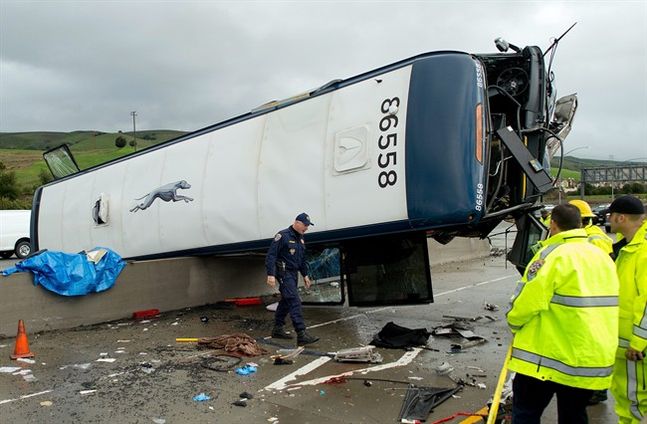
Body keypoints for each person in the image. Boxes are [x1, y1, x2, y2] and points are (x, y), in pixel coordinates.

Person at [507, 204, 619, 423]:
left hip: (545, 361)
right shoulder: (602, 256)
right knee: (574, 415)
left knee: (526, 413)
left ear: (553, 224)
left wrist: (513, 322)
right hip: (587, 359)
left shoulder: (552, 255)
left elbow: (526, 303)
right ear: (580, 224)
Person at [607, 195, 647, 423]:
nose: (608, 219)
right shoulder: (629, 247)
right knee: (628, 396)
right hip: (628, 341)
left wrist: (638, 342)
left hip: (636, 346)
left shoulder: (642, 250)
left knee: (633, 400)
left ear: (621, 217)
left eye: (610, 215)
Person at [265, 213, 319, 346]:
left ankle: (277, 328)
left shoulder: (300, 239)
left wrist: (305, 275)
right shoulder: (282, 236)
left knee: (286, 300)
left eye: (308, 226)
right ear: (297, 223)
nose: (306, 228)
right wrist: (271, 274)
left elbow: (301, 259)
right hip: (283, 273)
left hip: (293, 274)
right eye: (305, 225)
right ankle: (301, 334)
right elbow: (271, 256)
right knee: (294, 300)